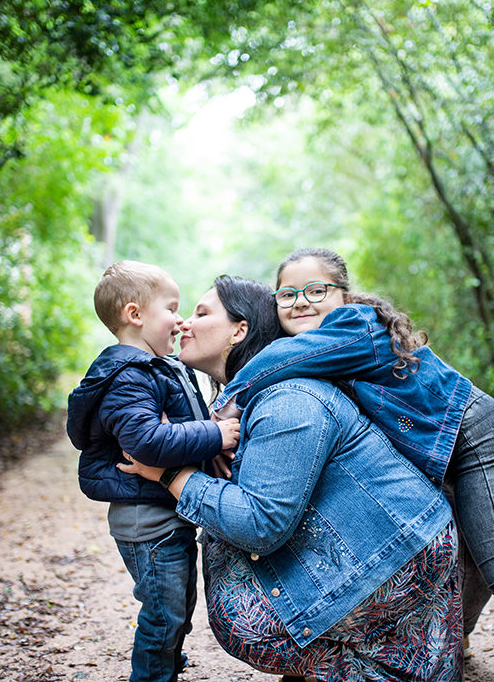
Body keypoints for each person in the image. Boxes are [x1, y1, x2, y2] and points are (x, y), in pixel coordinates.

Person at [212, 248, 494, 682]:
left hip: (478, 442)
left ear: (344, 294)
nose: (300, 301)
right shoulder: (322, 355)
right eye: (287, 294)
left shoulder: (353, 325)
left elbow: (284, 359)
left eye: (316, 290)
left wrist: (225, 405)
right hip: (434, 458)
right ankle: (453, 646)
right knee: (464, 559)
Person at [119, 275, 461, 681]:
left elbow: (259, 525)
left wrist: (171, 473)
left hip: (395, 556)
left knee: (246, 619)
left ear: (240, 329)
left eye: (201, 313)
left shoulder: (288, 400)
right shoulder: (246, 405)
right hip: (384, 547)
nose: (183, 325)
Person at [65, 261, 242, 682]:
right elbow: (147, 443)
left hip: (164, 513)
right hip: (147, 521)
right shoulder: (129, 377)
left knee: (176, 608)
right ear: (135, 315)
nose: (180, 320)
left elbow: (181, 422)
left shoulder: (158, 368)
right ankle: (153, 675)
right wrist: (216, 436)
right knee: (163, 616)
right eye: (172, 308)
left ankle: (166, 665)